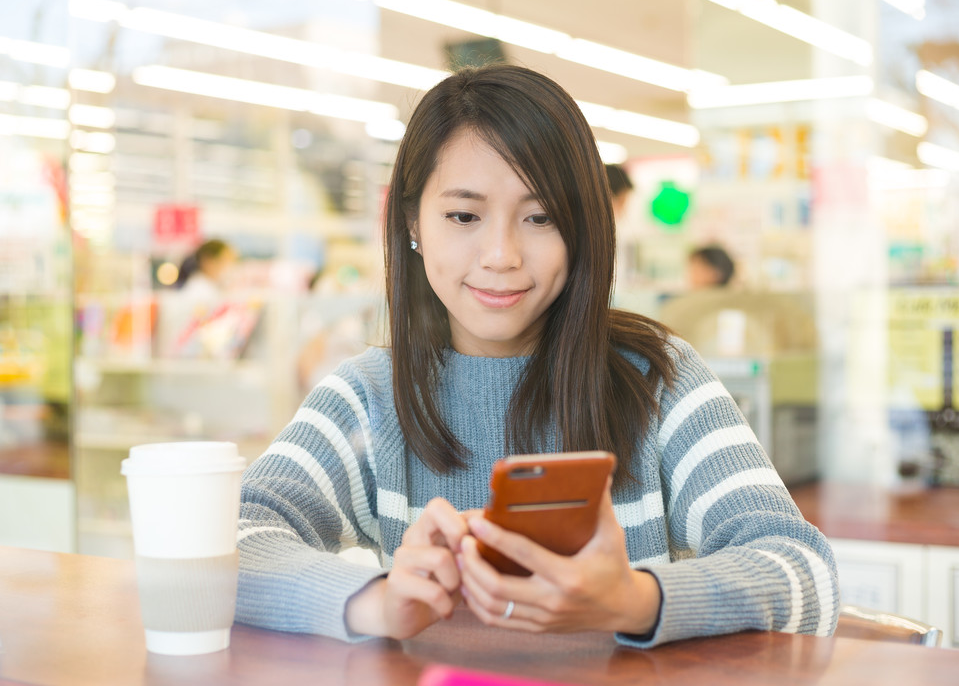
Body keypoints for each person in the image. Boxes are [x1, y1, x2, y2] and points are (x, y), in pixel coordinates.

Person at [235, 64, 838, 647]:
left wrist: (634, 599)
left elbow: (803, 570)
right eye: (464, 215)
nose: (501, 254)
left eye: (541, 216)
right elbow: (226, 541)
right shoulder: (369, 396)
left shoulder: (658, 379)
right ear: (412, 222)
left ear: (584, 229)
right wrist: (377, 600)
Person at [173, 239, 237, 300]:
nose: (229, 267)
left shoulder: (211, 287)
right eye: (225, 261)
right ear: (208, 261)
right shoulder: (198, 290)